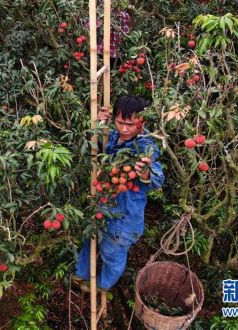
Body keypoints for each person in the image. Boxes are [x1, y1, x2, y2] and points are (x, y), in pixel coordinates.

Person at [73, 95, 165, 292]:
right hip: (103, 205)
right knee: (89, 240)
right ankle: (81, 273)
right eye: (120, 123)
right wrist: (99, 124)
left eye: (130, 124)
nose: (124, 129)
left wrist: (146, 172)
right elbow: (96, 148)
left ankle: (102, 285)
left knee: (112, 253)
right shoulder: (113, 136)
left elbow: (157, 178)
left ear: (142, 122)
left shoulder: (146, 146)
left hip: (124, 219)